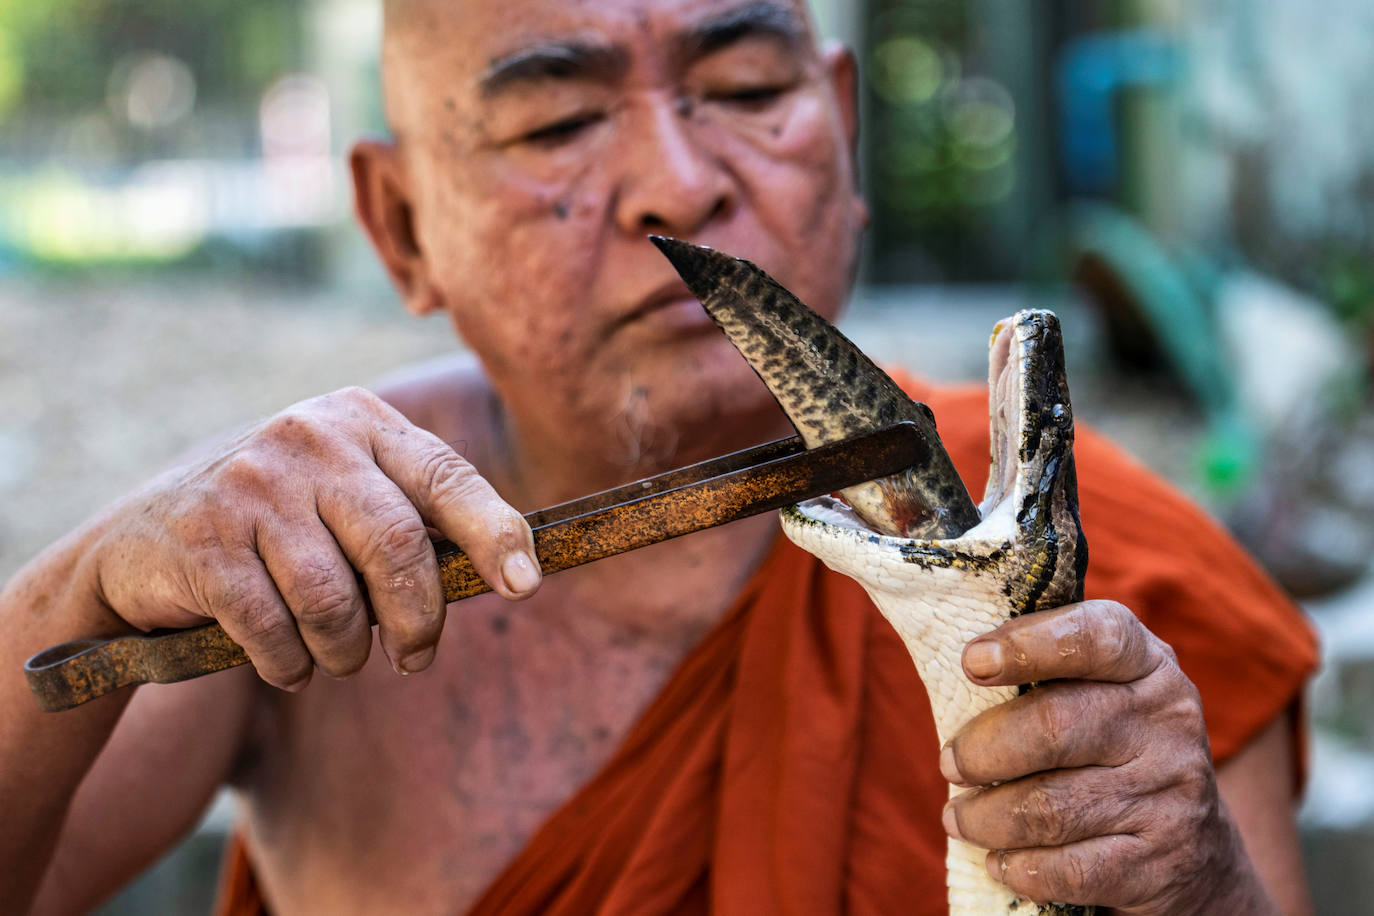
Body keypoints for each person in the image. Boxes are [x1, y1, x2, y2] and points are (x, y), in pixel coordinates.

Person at [0, 1, 1318, 913]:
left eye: (746, 92)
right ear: (399, 225)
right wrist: (71, 594)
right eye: (556, 125)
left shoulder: (1115, 572)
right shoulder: (306, 555)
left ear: (841, 128)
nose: (678, 182)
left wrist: (1197, 886)